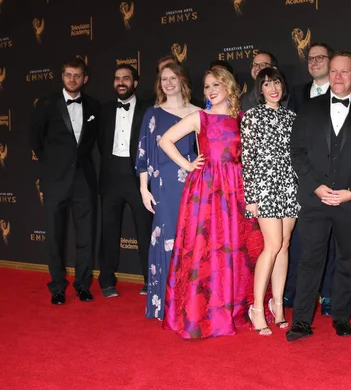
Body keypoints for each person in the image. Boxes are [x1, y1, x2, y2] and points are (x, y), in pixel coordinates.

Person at [287, 51, 351, 341]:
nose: (338, 77)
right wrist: (316, 186)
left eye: (344, 72)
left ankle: (341, 316)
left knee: (347, 260)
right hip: (315, 200)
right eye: (333, 72)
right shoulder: (308, 109)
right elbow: (298, 153)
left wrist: (350, 193)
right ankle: (301, 321)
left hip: (350, 203)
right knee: (309, 261)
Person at [161, 68, 263, 339]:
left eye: (216, 84)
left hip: (236, 188)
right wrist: (188, 164)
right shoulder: (199, 117)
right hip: (206, 189)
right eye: (206, 86)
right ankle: (201, 314)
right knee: (204, 247)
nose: (210, 90)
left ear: (229, 86)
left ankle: (236, 310)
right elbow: (165, 140)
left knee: (236, 248)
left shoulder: (242, 119)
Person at [30, 57, 101, 305]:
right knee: (54, 236)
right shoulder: (46, 104)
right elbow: (36, 141)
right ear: (62, 76)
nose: (72, 79)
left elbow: (94, 144)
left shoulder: (93, 105)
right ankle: (58, 286)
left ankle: (83, 285)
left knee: (86, 236)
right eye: (68, 75)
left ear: (85, 79)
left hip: (84, 180)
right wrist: (52, 166)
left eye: (77, 75)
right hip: (55, 180)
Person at [136, 62, 200, 320]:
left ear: (183, 80)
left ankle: (192, 302)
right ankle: (165, 303)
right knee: (167, 240)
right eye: (164, 79)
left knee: (193, 240)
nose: (169, 82)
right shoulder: (152, 114)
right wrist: (143, 188)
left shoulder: (198, 112)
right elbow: (143, 154)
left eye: (173, 77)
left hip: (194, 183)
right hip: (163, 185)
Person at [241, 68, 299, 335]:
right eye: (266, 84)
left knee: (284, 245)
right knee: (272, 244)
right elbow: (248, 159)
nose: (273, 88)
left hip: (289, 185)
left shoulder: (292, 117)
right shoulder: (251, 117)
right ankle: (256, 307)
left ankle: (278, 305)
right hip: (264, 187)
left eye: (276, 82)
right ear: (260, 89)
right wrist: (251, 197)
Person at [285, 41, 336, 315]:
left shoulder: (344, 90)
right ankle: (294, 292)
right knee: (303, 239)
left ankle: (328, 294)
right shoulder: (297, 93)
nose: (314, 62)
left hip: (335, 176)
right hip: (304, 176)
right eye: (311, 58)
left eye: (320, 57)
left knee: (332, 240)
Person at [97, 64, 152, 298]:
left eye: (126, 78)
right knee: (109, 230)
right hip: (110, 176)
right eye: (117, 78)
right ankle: (107, 281)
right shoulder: (105, 110)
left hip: (137, 176)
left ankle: (150, 281)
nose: (121, 82)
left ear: (135, 82)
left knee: (145, 230)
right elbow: (99, 142)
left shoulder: (148, 109)